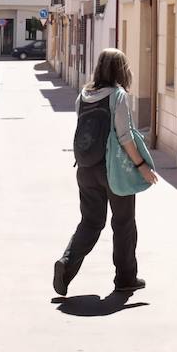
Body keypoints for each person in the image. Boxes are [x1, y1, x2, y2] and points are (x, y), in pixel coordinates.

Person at [54, 49, 158, 296]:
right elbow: (125, 137)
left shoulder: (84, 95)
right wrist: (141, 166)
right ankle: (125, 278)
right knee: (123, 223)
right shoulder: (118, 96)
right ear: (120, 70)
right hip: (112, 171)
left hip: (86, 169)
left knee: (90, 222)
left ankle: (66, 265)